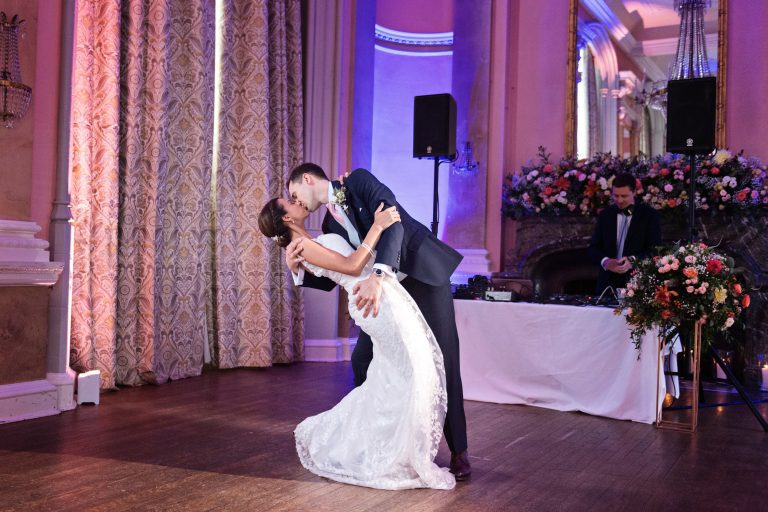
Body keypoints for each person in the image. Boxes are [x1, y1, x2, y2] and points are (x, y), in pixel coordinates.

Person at [285, 163, 471, 480]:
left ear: (307, 179)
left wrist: (380, 275)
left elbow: (393, 221)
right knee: (362, 360)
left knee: (444, 358)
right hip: (385, 297)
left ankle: (459, 451)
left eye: (294, 193)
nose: (296, 201)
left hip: (420, 276)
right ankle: (378, 440)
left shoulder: (357, 181)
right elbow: (339, 270)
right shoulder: (329, 223)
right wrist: (298, 271)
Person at [588, 173, 662, 294]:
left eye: (624, 196)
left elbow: (655, 250)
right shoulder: (605, 214)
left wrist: (632, 261)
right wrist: (606, 261)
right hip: (607, 284)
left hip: (638, 284)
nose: (619, 200)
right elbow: (593, 248)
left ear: (634, 192)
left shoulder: (649, 215)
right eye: (616, 195)